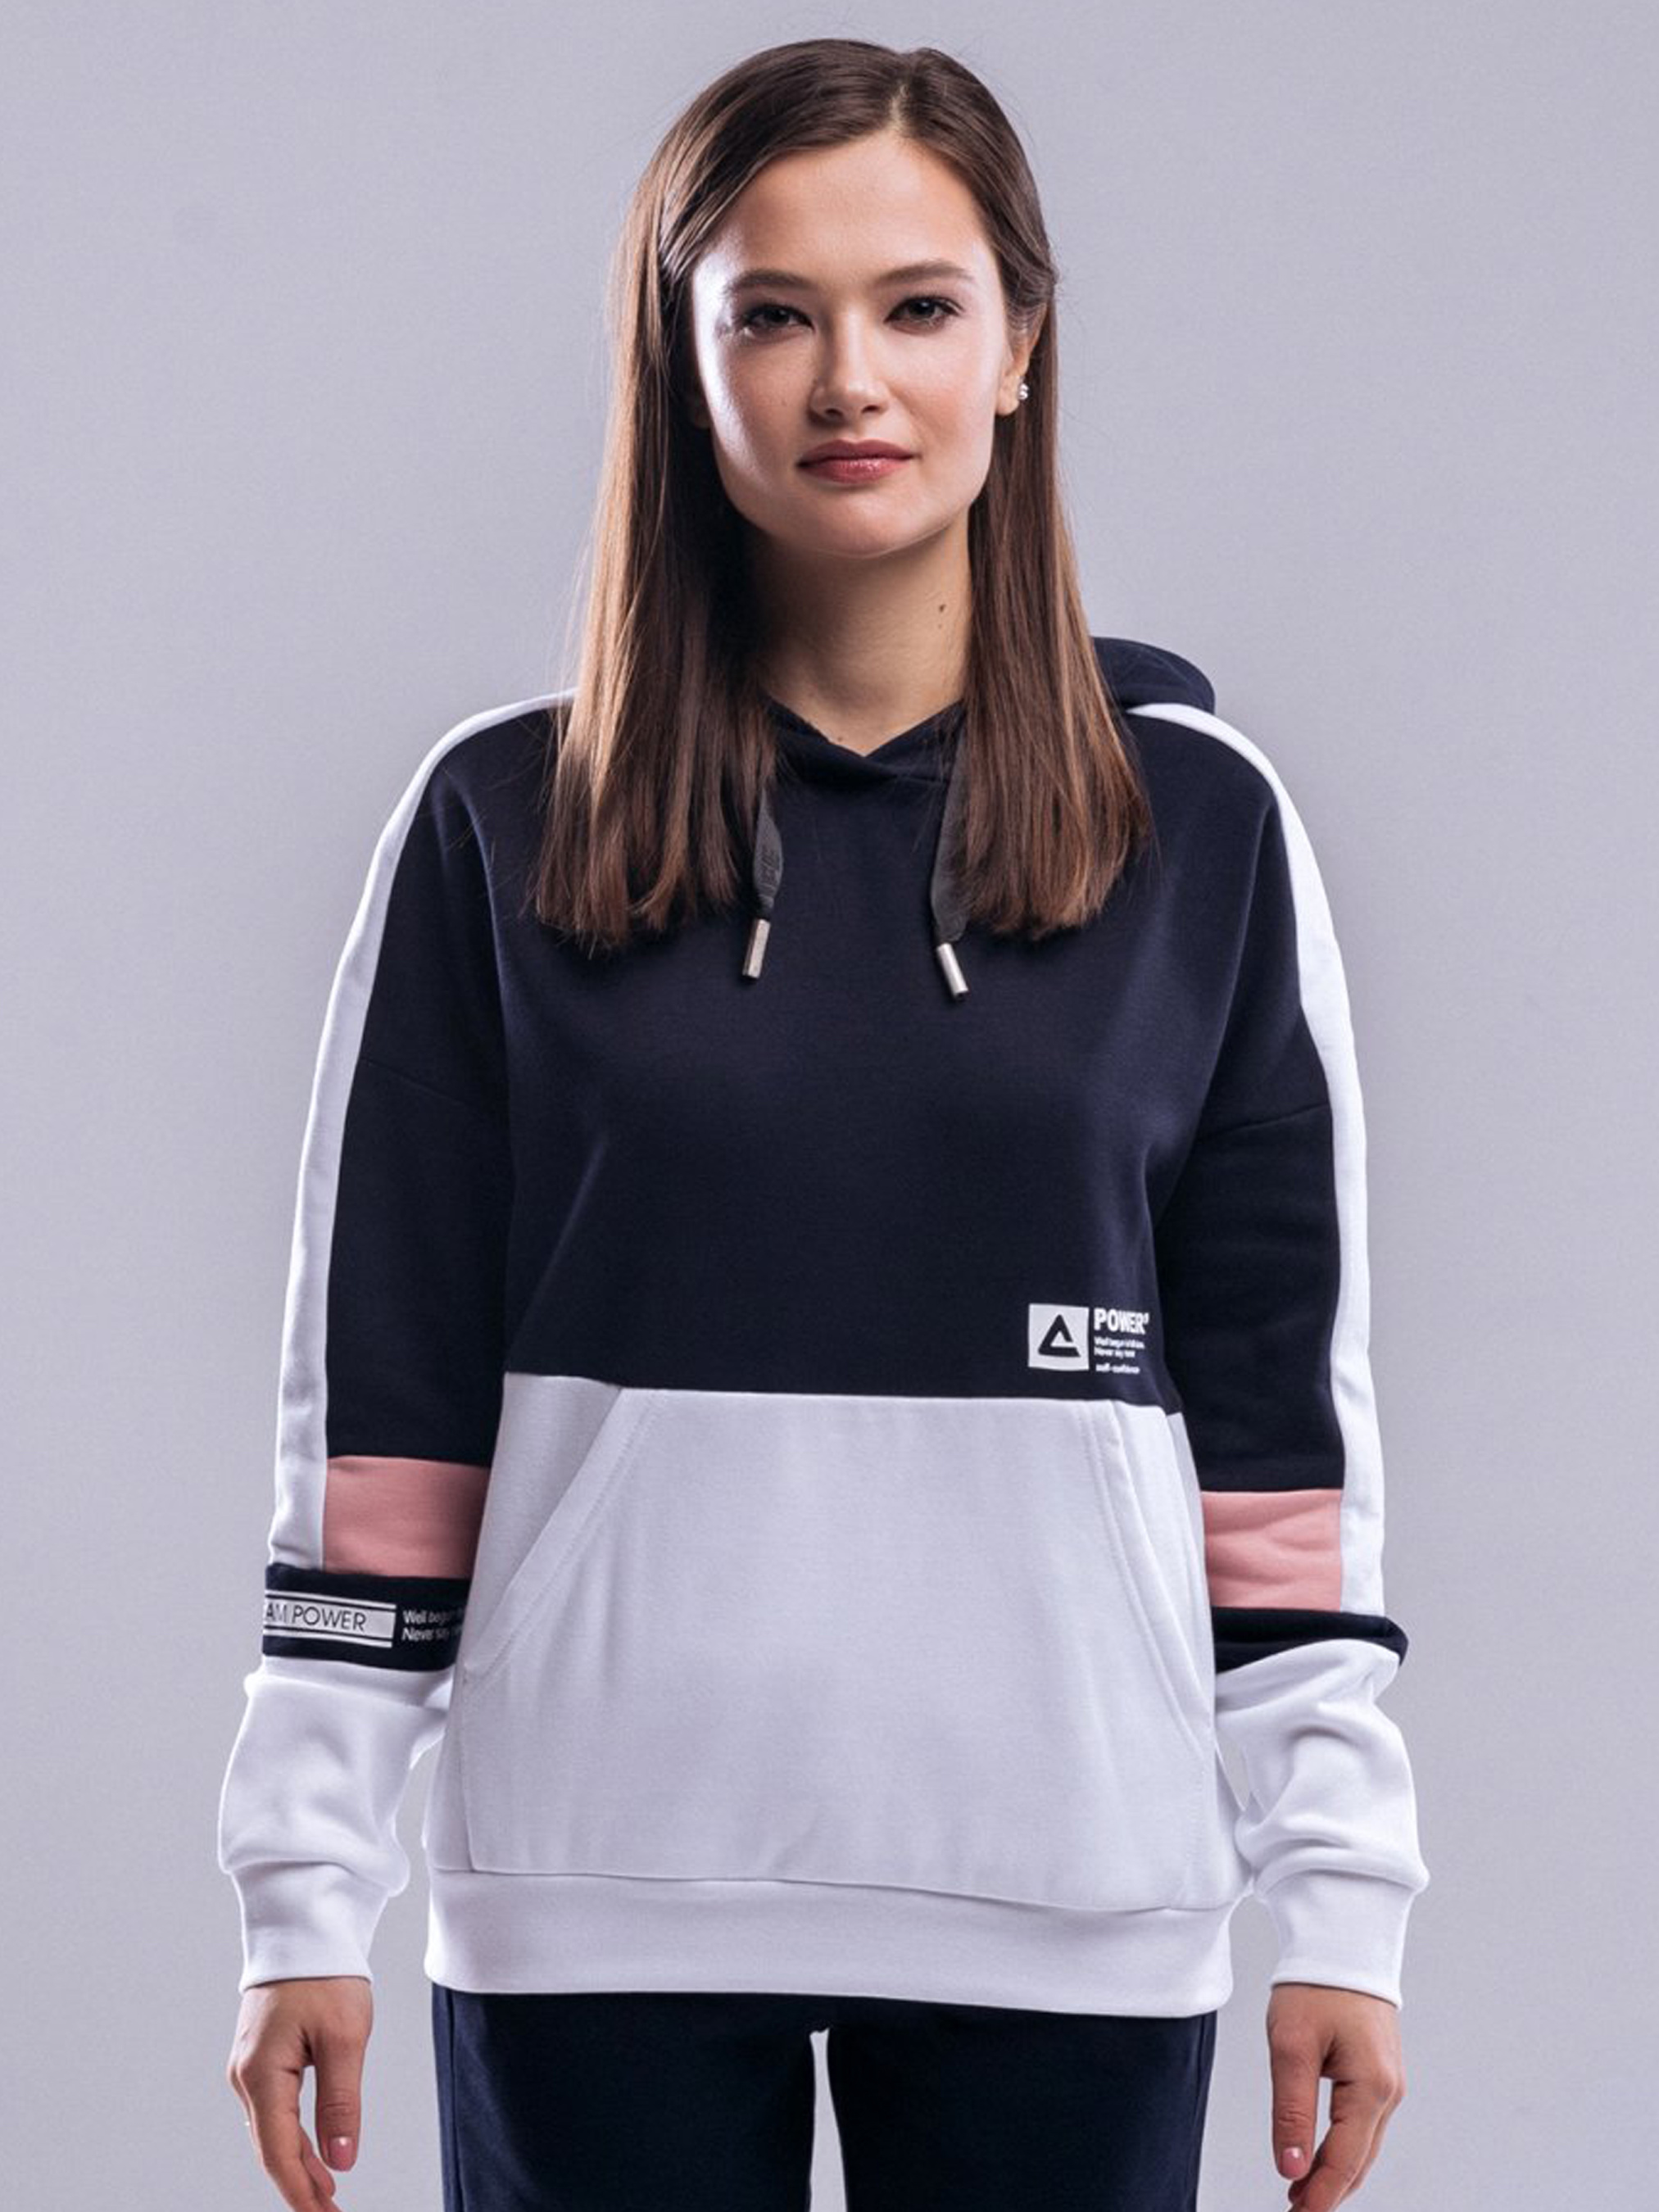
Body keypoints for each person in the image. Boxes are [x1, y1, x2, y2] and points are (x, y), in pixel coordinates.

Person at [218, 36, 1429, 2212]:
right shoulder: (504, 821)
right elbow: (385, 1402)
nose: (848, 379)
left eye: (918, 306)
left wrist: (1336, 1891)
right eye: (771, 312)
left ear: (1020, 347)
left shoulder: (1203, 831)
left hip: (1070, 1885)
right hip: (595, 1891)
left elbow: (1278, 1427)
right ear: (678, 358)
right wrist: (305, 1877)